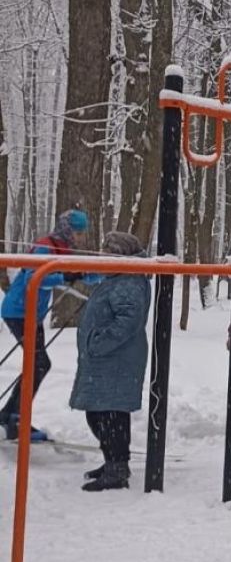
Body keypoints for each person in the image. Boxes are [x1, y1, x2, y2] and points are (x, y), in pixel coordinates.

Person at [69, 232, 151, 491]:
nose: (102, 257)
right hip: (106, 360)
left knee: (108, 415)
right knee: (100, 413)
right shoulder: (118, 277)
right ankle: (113, 462)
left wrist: (99, 342)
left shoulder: (128, 281)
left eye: (108, 253)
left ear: (121, 256)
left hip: (115, 360)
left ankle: (117, 469)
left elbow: (128, 320)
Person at [1, 209, 90, 441]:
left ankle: (10, 416)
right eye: (78, 233)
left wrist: (95, 275)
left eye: (82, 234)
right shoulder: (45, 246)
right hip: (19, 311)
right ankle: (16, 418)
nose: (81, 238)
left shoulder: (62, 249)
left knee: (37, 364)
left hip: (31, 313)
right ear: (67, 230)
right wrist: (65, 277)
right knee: (39, 364)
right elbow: (34, 277)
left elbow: (72, 275)